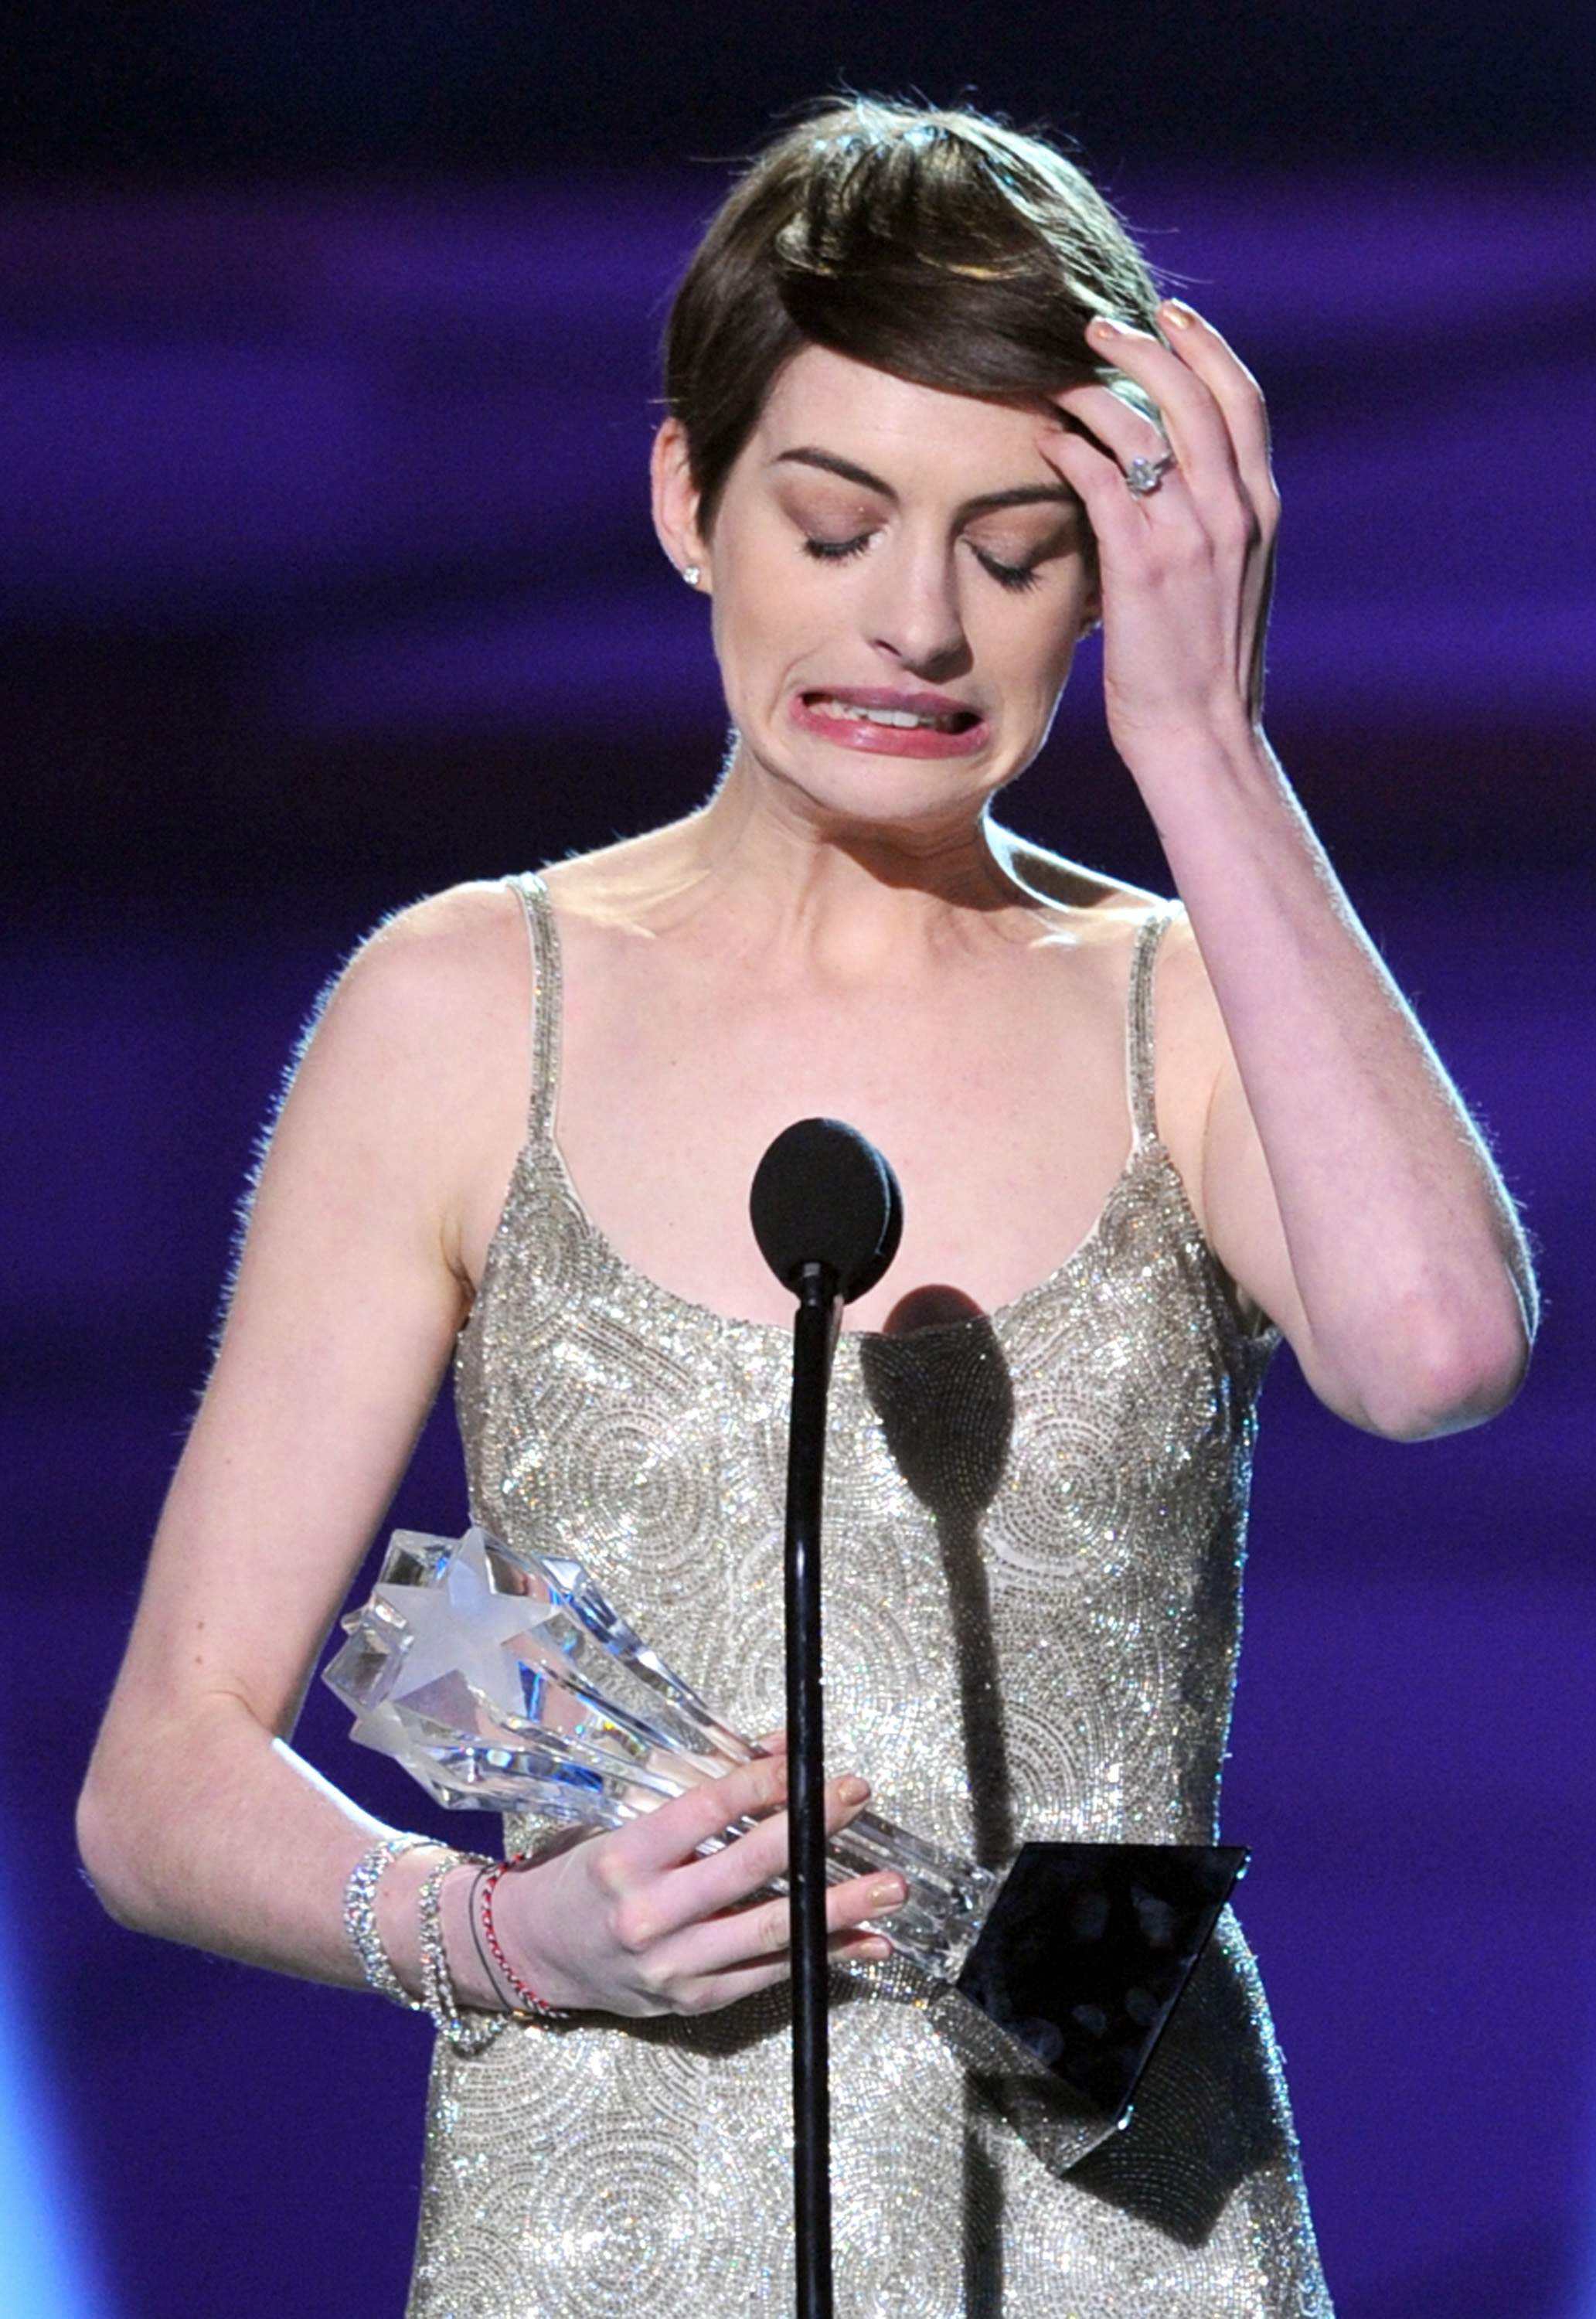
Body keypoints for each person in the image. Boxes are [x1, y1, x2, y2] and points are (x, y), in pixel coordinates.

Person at [79, 96, 1536, 2315]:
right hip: (608, 2216)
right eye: (834, 524)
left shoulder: (1187, 1006)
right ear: (688, 502)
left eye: (1015, 544)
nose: (916, 625)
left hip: (1111, 2229)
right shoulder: (470, 1003)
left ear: (1123, 564)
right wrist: (495, 1927)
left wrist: (1207, 749)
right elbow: (163, 1774)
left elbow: (1433, 1353)